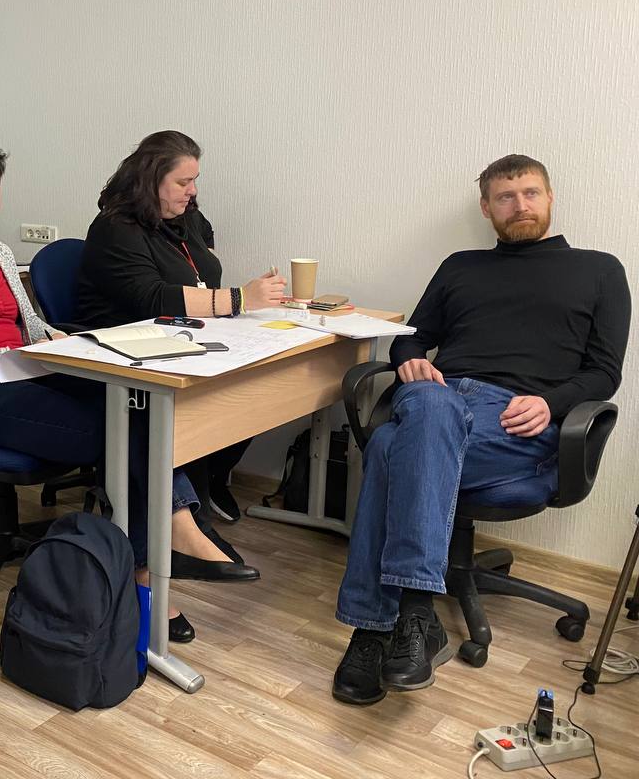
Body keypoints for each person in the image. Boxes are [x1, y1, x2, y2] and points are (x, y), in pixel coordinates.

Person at [0, 144, 256, 646]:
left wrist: (59, 341)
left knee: (135, 404)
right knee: (114, 428)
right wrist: (17, 357)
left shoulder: (0, 253)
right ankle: (154, 567)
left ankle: (167, 543)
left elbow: (28, 322)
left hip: (21, 374)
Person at [331, 154, 630, 706]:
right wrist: (411, 361)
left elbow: (604, 372)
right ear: (487, 208)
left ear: (550, 197)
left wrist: (551, 403)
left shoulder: (600, 269)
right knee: (428, 408)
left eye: (530, 193)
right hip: (439, 395)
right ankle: (415, 616)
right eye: (505, 197)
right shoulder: (460, 266)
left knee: (390, 445)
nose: (520, 205)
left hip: (515, 415)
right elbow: (413, 338)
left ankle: (375, 628)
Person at [77, 130, 287, 549]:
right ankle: (187, 522)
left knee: (252, 386)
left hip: (181, 342)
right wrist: (239, 299)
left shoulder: (185, 218)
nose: (192, 191)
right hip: (126, 354)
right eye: (183, 182)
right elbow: (153, 298)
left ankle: (206, 486)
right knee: (188, 406)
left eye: (195, 181)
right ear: (150, 180)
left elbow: (204, 270)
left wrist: (237, 297)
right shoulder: (115, 228)